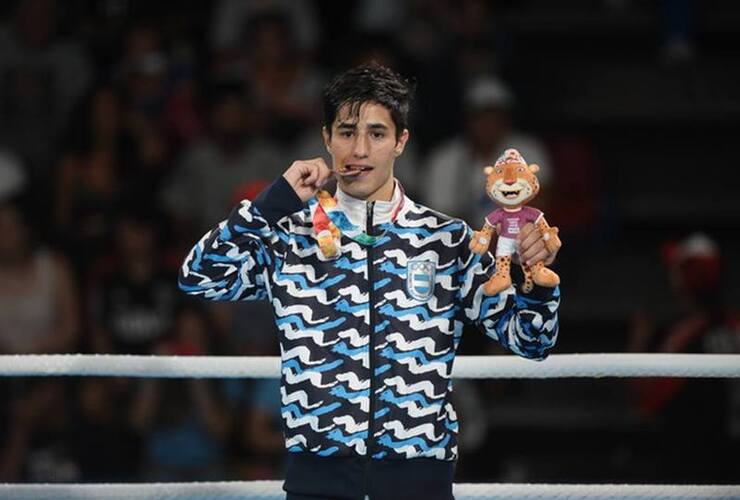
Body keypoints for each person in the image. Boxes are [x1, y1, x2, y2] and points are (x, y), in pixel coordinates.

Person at [178, 64, 560, 500]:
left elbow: (533, 341)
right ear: (326, 139)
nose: (359, 149)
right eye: (346, 132)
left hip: (419, 482)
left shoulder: (447, 240)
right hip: (317, 482)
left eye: (376, 134)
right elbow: (198, 277)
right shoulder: (292, 236)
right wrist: (271, 202)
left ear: (401, 141)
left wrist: (537, 281)